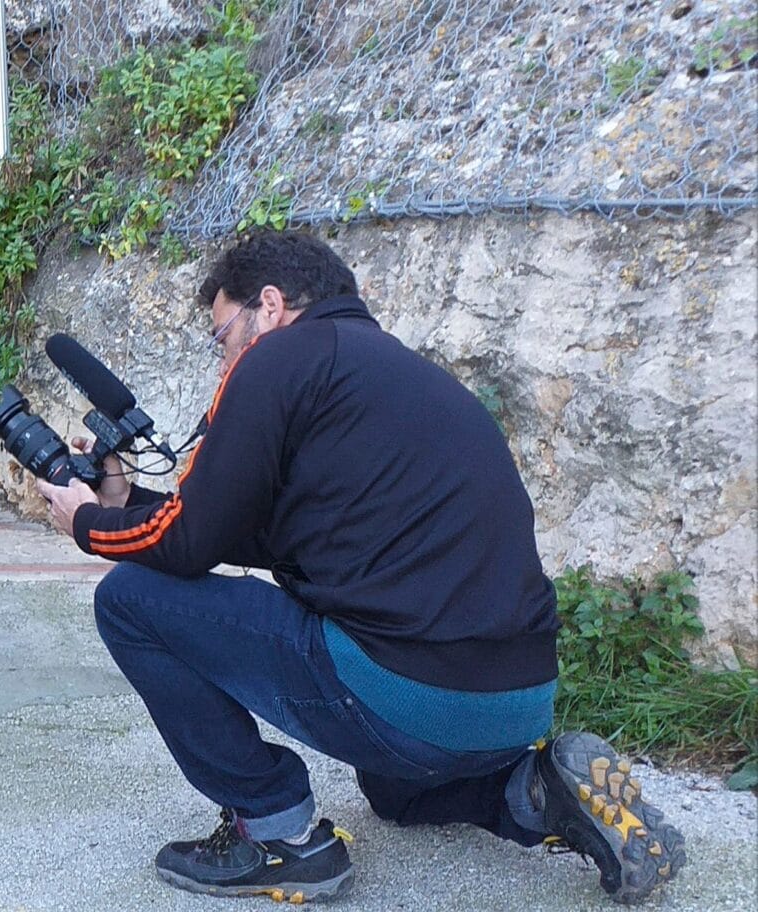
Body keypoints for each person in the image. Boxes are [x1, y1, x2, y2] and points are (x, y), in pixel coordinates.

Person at [36, 231, 685, 904]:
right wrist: (124, 502)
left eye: (223, 334)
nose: (224, 354)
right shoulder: (402, 375)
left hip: (410, 696)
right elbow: (256, 535)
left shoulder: (276, 358)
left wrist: (86, 522)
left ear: (270, 305)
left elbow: (190, 545)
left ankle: (277, 836)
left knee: (131, 598)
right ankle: (536, 792)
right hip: (517, 702)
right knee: (394, 788)